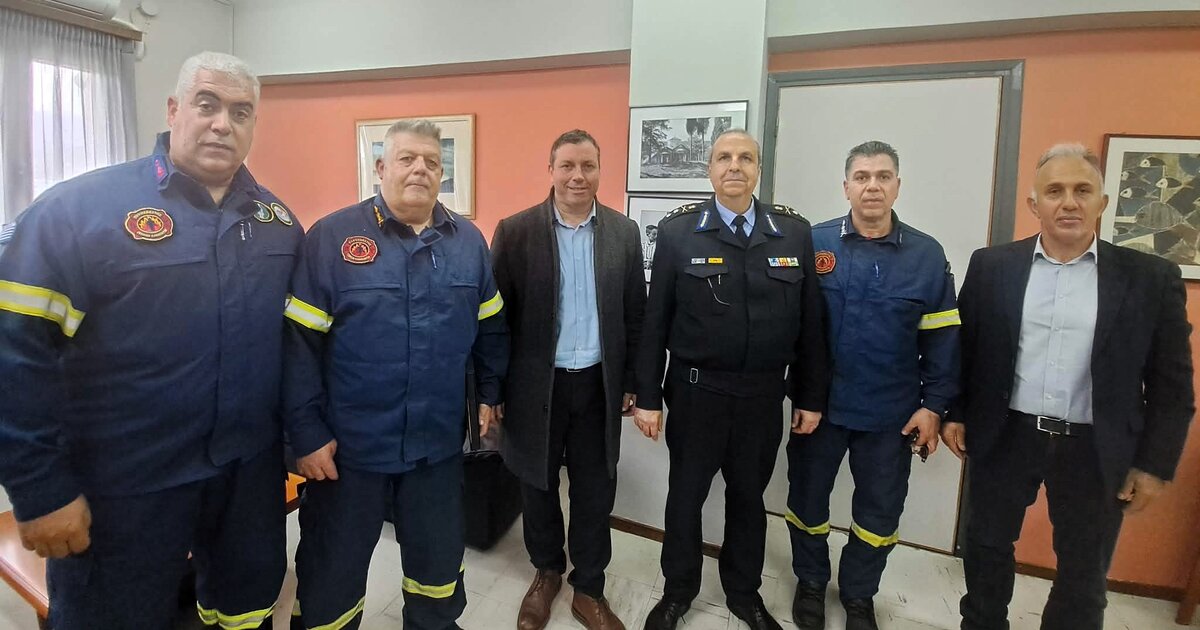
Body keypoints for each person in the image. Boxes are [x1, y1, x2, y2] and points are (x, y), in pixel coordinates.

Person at [0, 51, 297, 630]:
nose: (223, 123)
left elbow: (296, 348)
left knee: (246, 614)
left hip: (246, 479)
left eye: (241, 112)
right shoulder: (77, 211)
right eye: (207, 105)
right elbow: (15, 355)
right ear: (174, 109)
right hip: (124, 485)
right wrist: (41, 489)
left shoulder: (278, 224)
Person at [943, 143, 1194, 630]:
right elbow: (965, 349)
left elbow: (1172, 383)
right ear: (1034, 204)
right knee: (986, 545)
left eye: (1083, 190)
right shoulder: (992, 266)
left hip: (1096, 448)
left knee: (1084, 571)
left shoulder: (1149, 278)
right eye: (1055, 191)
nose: (1069, 203)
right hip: (1007, 435)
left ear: (1102, 201)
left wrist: (1154, 464)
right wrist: (955, 412)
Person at [282, 119, 508, 630]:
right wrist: (306, 435)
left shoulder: (468, 242)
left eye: (432, 161)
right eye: (407, 158)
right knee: (331, 577)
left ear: (442, 173)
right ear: (381, 167)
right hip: (348, 453)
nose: (420, 169)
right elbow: (298, 348)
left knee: (437, 571)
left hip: (436, 448)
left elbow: (491, 326)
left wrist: (490, 392)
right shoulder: (331, 238)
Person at [633, 128, 829, 630]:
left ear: (758, 168)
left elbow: (810, 323)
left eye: (745, 157)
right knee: (685, 497)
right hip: (696, 393)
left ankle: (745, 594)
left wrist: (809, 396)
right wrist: (648, 397)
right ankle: (677, 592)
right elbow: (655, 322)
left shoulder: (793, 233)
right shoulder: (678, 232)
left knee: (748, 499)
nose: (734, 166)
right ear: (710, 169)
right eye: (724, 157)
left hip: (762, 396)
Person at [785, 141, 960, 630]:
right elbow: (792, 329)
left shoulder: (926, 255)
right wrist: (797, 393)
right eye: (862, 177)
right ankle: (811, 582)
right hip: (820, 409)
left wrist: (934, 406)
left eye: (883, 176)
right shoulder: (814, 243)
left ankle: (859, 594)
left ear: (897, 186)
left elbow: (943, 339)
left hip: (891, 414)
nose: (872, 186)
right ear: (846, 187)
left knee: (879, 513)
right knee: (807, 501)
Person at [491, 129, 645, 630]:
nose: (578, 176)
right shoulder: (515, 232)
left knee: (595, 488)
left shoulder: (623, 233)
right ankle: (546, 572)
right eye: (568, 166)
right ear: (551, 170)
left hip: (599, 385)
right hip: (536, 386)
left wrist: (634, 381)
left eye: (588, 166)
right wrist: (493, 390)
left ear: (600, 170)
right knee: (536, 484)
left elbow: (636, 315)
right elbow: (495, 320)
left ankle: (589, 586)